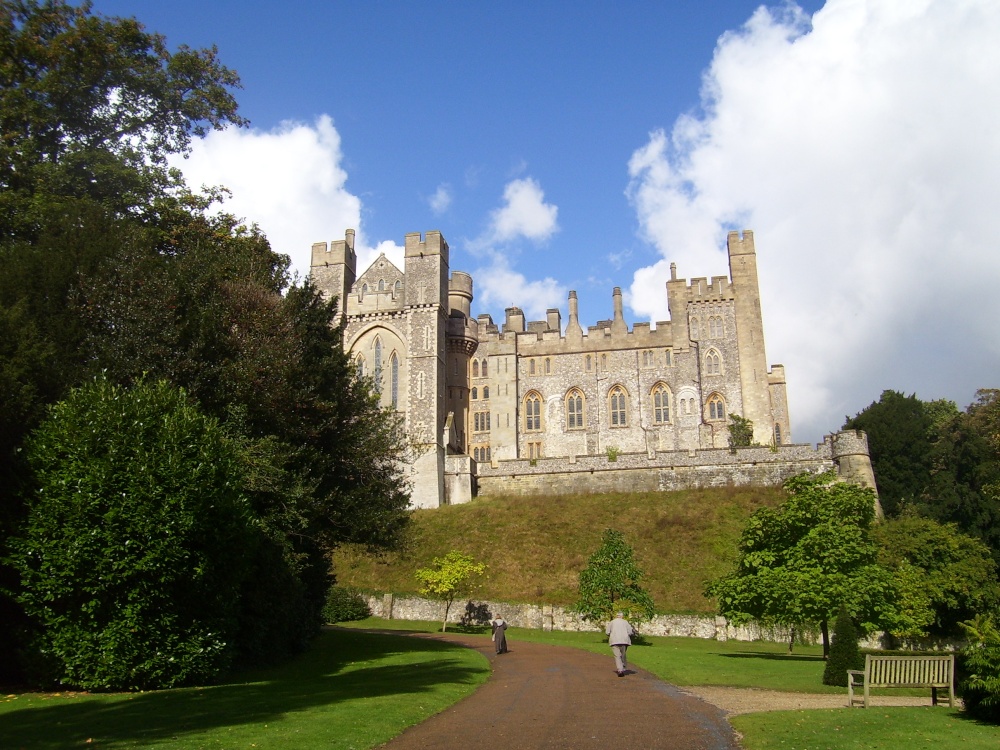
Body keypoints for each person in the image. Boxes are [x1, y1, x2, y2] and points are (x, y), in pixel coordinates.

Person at [606, 611, 635, 677]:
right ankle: (623, 668)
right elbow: (630, 631)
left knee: (617, 656)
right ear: (622, 616)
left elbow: (607, 632)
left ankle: (620, 669)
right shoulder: (625, 622)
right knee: (623, 655)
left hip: (614, 640)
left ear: (616, 616)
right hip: (624, 640)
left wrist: (611, 634)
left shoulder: (612, 622)